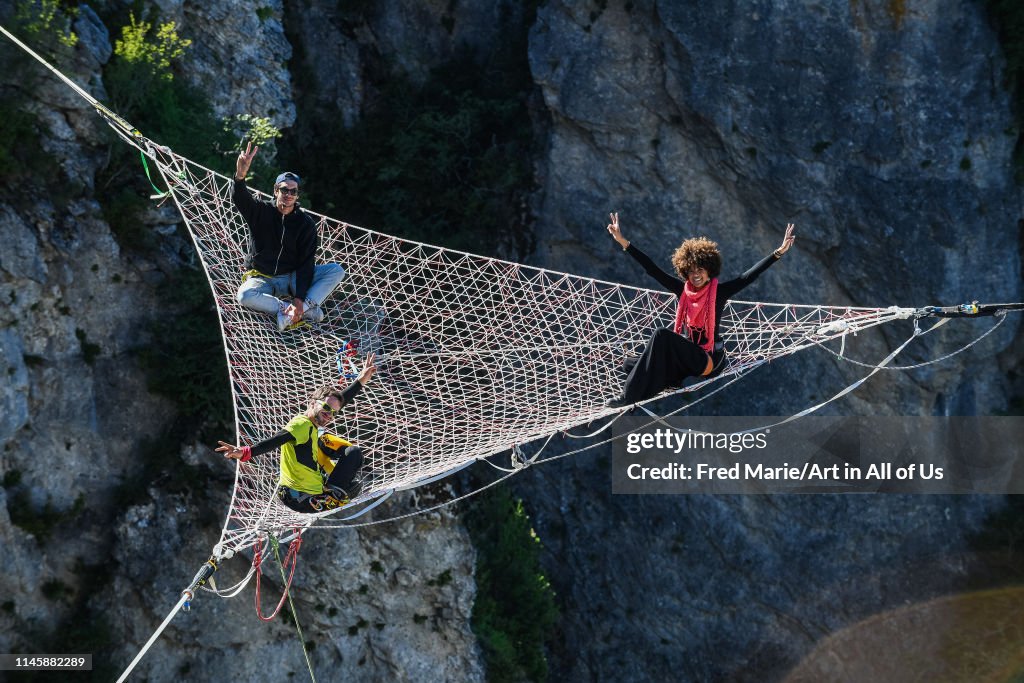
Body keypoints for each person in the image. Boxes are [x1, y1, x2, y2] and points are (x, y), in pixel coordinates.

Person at [605, 213, 795, 407]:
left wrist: (778, 252)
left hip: (708, 360)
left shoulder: (719, 293)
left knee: (661, 335)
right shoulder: (683, 291)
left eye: (700, 270)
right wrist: (623, 242)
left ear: (709, 270)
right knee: (629, 365)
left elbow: (750, 276)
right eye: (691, 271)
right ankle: (670, 381)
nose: (696, 275)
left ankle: (627, 398)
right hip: (687, 357)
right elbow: (653, 269)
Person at [216, 353, 377, 513]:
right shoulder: (302, 425)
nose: (329, 415)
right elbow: (276, 440)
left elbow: (336, 403)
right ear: (312, 402)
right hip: (304, 499)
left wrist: (360, 380)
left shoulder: (311, 423)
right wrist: (245, 452)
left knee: (330, 443)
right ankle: (332, 494)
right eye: (325, 409)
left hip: (291, 493)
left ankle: (329, 485)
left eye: (333, 413)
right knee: (353, 473)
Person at [232, 141, 346, 331]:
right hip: (263, 278)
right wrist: (240, 175)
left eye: (293, 191)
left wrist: (300, 298)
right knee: (244, 296)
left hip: (291, 277)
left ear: (297, 195)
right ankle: (289, 310)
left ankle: (304, 307)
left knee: (336, 270)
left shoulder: (305, 224)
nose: (289, 194)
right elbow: (240, 198)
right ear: (276, 190)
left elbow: (306, 263)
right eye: (284, 189)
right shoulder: (260, 211)